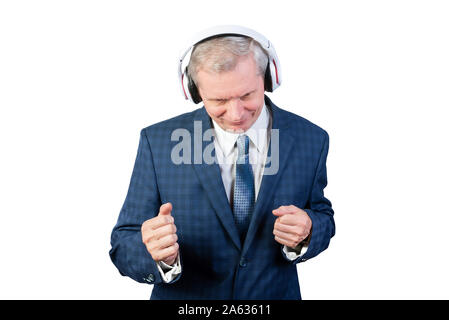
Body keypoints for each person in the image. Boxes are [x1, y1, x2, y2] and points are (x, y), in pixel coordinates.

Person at [109, 25, 335, 300]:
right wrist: (157, 255)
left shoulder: (311, 138)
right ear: (193, 91)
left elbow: (323, 214)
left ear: (268, 78)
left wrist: (309, 228)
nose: (236, 113)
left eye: (247, 95)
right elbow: (124, 242)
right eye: (219, 100)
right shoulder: (158, 142)